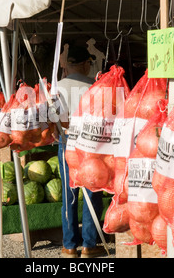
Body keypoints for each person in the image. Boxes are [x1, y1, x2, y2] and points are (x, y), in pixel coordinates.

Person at [57, 45, 105, 258]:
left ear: (67, 64)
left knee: (70, 195)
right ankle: (89, 245)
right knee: (91, 191)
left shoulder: (56, 87)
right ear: (86, 64)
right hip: (91, 144)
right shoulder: (96, 86)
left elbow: (53, 120)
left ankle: (69, 246)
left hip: (66, 141)